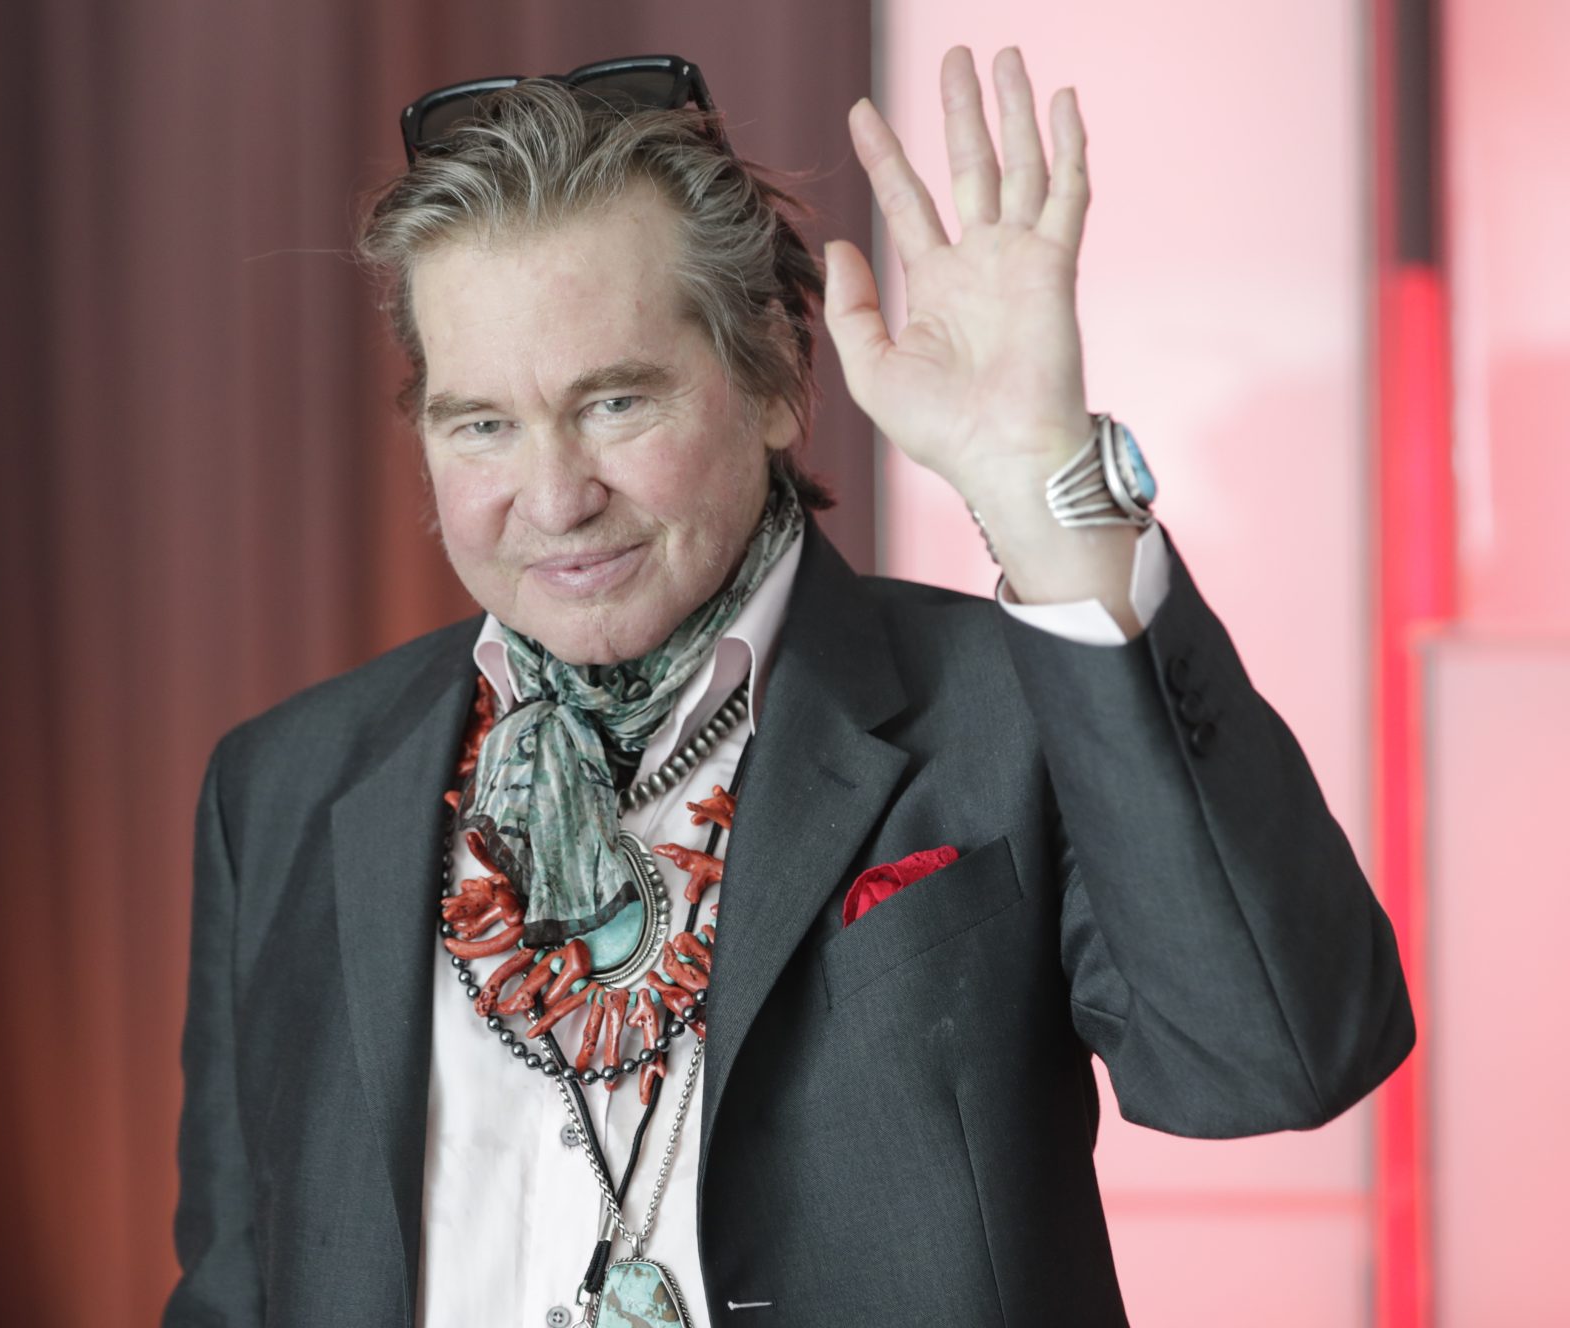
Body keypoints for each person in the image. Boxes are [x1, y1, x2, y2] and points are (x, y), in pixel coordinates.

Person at [163, 46, 1414, 1328]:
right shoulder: (283, 786)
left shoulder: (1011, 706)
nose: (551, 498)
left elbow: (1277, 1055)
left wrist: (1040, 488)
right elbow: (235, 1288)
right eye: (479, 421)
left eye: (613, 401)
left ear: (768, 378)